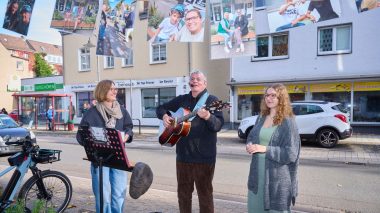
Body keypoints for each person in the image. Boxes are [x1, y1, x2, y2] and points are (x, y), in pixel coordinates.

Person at [156, 70, 224, 213]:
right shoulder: (182, 100)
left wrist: (207, 117)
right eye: (192, 79)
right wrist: (164, 116)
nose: (194, 81)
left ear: (205, 83)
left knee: (205, 197)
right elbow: (160, 108)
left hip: (204, 158)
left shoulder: (212, 101)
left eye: (198, 79)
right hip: (183, 156)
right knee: (183, 196)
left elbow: (217, 125)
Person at [76, 80, 133, 213]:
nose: (115, 91)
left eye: (115, 89)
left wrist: (127, 136)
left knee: (119, 195)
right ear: (102, 91)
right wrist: (92, 141)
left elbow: (129, 127)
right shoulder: (92, 113)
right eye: (111, 89)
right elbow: (80, 136)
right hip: (100, 160)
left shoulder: (122, 111)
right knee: (103, 197)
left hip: (119, 158)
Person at [246, 83, 300, 212]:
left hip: (276, 180)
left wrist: (266, 149)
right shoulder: (261, 117)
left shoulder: (288, 121)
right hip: (257, 177)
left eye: (273, 95)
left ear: (281, 98)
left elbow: (291, 153)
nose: (269, 98)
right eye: (267, 95)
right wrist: (249, 145)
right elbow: (252, 137)